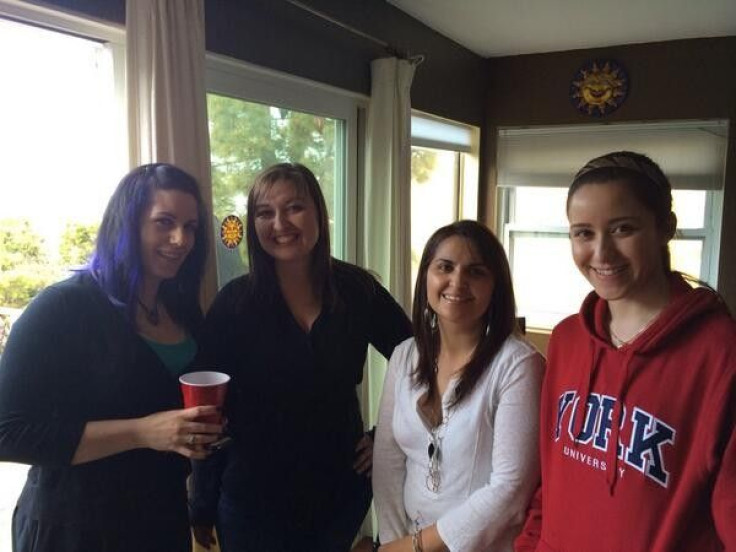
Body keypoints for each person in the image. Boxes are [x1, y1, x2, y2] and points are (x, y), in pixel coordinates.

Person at [514, 151, 736, 552]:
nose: (601, 253)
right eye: (583, 233)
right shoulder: (567, 340)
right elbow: (551, 481)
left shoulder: (720, 352)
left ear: (664, 227)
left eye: (622, 229)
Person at [0, 163, 224, 552]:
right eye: (164, 222)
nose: (180, 239)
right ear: (128, 224)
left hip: (161, 515)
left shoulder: (182, 307)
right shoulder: (64, 306)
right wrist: (142, 432)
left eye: (190, 227)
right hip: (76, 526)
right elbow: (6, 433)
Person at [189, 162, 412, 552]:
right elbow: (207, 412)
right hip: (252, 501)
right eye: (265, 213)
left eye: (294, 207)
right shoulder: (233, 305)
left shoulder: (358, 291)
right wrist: (201, 503)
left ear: (319, 215)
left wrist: (386, 437)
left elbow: (418, 360)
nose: (280, 223)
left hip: (338, 491)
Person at [373, 220, 544, 552]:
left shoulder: (519, 365)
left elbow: (509, 491)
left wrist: (415, 547)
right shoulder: (404, 356)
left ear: (496, 286)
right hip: (407, 538)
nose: (457, 282)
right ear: (426, 277)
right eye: (445, 267)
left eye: (476, 272)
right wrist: (395, 540)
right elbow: (388, 459)